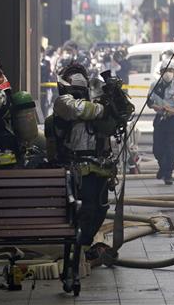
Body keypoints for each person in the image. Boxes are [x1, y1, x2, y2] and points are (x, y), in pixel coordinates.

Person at [50, 64, 126, 266]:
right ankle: (79, 251)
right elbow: (79, 110)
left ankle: (83, 249)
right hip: (77, 167)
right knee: (85, 209)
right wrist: (104, 109)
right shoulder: (63, 103)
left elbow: (120, 121)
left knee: (100, 208)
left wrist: (115, 98)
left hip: (101, 166)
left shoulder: (96, 101)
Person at [147, 62, 174, 185]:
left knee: (171, 149)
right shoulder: (155, 85)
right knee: (157, 149)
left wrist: (173, 111)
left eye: (170, 70)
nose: (168, 73)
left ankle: (168, 174)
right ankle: (163, 168)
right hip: (160, 120)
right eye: (165, 70)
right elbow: (149, 102)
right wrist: (159, 108)